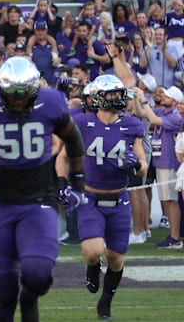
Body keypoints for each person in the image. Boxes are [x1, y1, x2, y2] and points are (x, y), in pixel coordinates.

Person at [0, 57, 87, 321]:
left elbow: (72, 136)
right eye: (12, 97)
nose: (19, 102)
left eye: (24, 97)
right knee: (1, 290)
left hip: (38, 200)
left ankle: (30, 298)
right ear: (0, 91)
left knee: (37, 275)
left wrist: (77, 180)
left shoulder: (51, 103)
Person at [65, 74, 147, 320]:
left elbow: (143, 164)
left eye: (119, 93)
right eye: (111, 93)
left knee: (116, 257)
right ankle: (92, 268)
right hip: (90, 198)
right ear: (99, 97)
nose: (117, 98)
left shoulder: (132, 125)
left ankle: (106, 303)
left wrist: (136, 164)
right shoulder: (81, 122)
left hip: (119, 198)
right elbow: (63, 152)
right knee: (93, 251)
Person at [133, 85, 184, 249]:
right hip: (161, 162)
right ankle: (173, 235)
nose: (163, 98)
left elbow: (154, 120)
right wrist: (135, 97)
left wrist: (142, 97)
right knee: (166, 201)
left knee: (171, 201)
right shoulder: (165, 112)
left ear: (175, 101)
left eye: (167, 96)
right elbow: (143, 113)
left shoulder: (176, 116)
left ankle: (176, 237)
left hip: (170, 163)